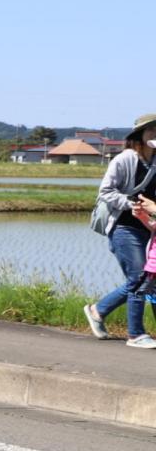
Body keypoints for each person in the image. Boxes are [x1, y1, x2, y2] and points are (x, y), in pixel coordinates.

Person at [85, 114, 156, 348]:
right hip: (124, 227)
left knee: (149, 279)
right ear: (140, 135)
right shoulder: (125, 159)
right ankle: (135, 334)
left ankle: (98, 310)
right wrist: (131, 203)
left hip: (149, 228)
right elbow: (105, 192)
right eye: (151, 131)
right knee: (138, 277)